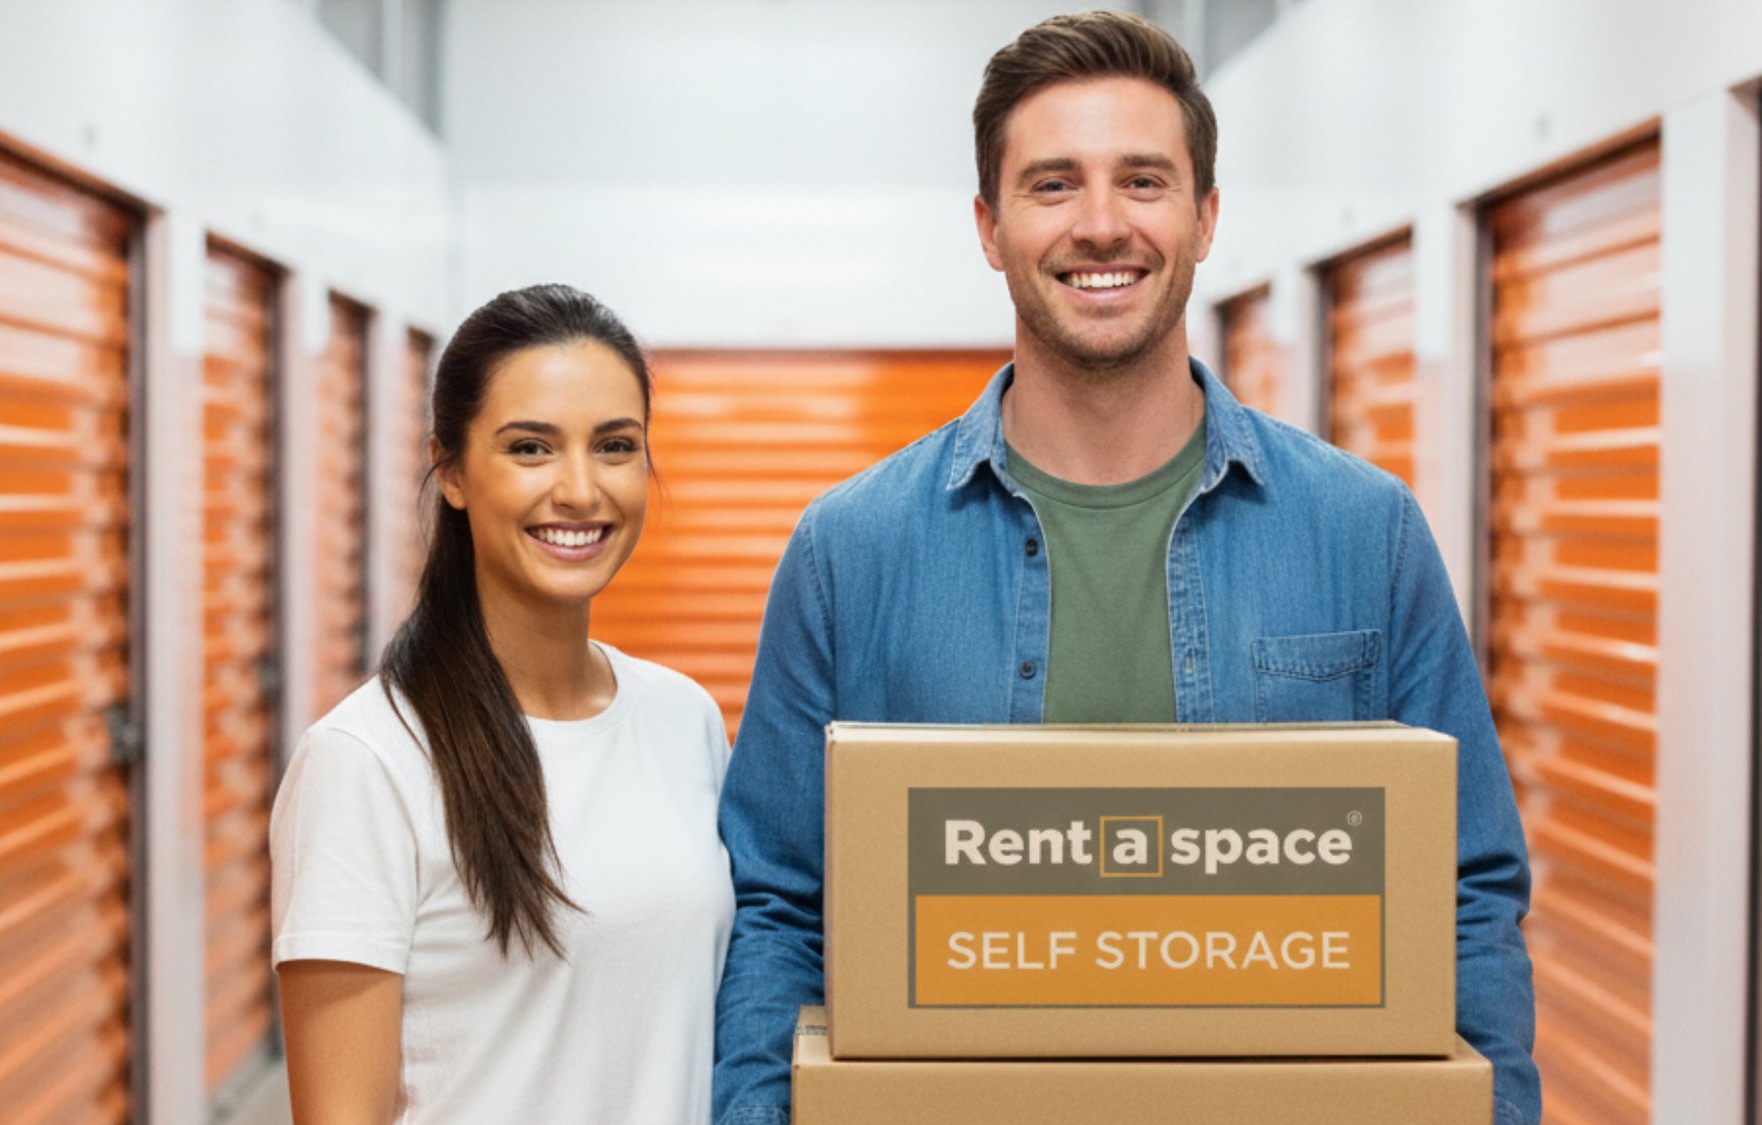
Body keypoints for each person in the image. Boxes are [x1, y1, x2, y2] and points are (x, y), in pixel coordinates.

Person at [711, 11, 1539, 1125]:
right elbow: (778, 913)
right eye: (1051, 185)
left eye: (1141, 182)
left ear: (1203, 218)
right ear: (987, 226)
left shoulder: (1363, 534)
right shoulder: (850, 553)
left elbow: (1463, 896)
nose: (1100, 226)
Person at [272, 284, 734, 1124]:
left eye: (616, 446)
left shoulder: (684, 720)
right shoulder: (367, 761)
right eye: (531, 448)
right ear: (449, 469)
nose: (580, 489)